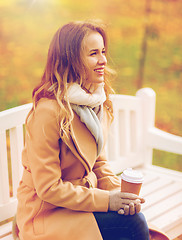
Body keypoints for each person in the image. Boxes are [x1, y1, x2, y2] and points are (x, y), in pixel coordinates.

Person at [16, 20, 149, 240]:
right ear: (71, 60)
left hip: (78, 203)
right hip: (47, 214)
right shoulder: (48, 112)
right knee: (133, 225)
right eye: (93, 53)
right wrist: (108, 201)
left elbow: (97, 161)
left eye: (103, 51)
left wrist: (119, 194)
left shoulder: (92, 101)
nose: (103, 60)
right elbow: (49, 189)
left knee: (132, 218)